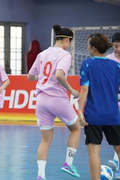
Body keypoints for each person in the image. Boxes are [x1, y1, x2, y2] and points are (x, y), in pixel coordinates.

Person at [27, 24, 81, 180]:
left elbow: (30, 76)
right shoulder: (64, 55)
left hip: (41, 100)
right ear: (66, 40)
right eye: (69, 42)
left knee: (45, 140)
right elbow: (59, 75)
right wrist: (71, 90)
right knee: (76, 128)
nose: (69, 45)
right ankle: (68, 164)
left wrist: (42, 78)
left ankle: (40, 175)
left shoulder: (42, 54)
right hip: (57, 98)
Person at [78, 33, 120, 180]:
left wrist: (78, 111)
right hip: (113, 114)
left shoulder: (87, 64)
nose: (87, 47)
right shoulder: (117, 66)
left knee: (94, 151)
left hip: (93, 115)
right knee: (119, 148)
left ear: (93, 48)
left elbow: (84, 89)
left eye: (88, 44)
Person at [106, 32, 120, 175]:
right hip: (113, 102)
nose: (119, 49)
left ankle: (116, 160)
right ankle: (116, 160)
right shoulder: (108, 60)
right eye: (116, 46)